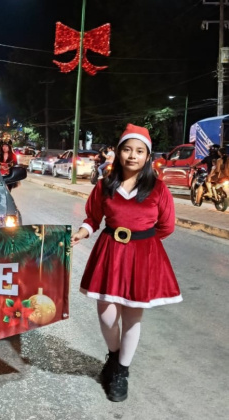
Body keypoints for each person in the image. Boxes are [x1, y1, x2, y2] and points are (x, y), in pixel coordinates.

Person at [70, 124, 182, 403]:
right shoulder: (104, 186)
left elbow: (167, 226)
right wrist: (82, 232)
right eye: (128, 150)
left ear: (147, 156)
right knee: (107, 315)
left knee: (132, 316)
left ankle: (121, 371)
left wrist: (143, 244)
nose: (133, 156)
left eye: (139, 151)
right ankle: (113, 356)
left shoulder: (157, 189)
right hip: (109, 253)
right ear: (119, 153)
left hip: (141, 257)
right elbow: (93, 218)